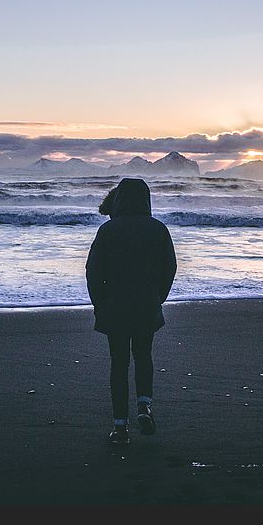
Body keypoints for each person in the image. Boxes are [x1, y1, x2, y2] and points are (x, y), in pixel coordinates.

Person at [86, 178, 177, 445]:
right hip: (146, 305)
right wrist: (158, 297)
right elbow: (169, 268)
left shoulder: (108, 231)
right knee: (143, 355)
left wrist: (99, 303)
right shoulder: (158, 230)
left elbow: (93, 271)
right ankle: (144, 406)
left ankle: (119, 427)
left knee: (119, 363)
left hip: (115, 307)